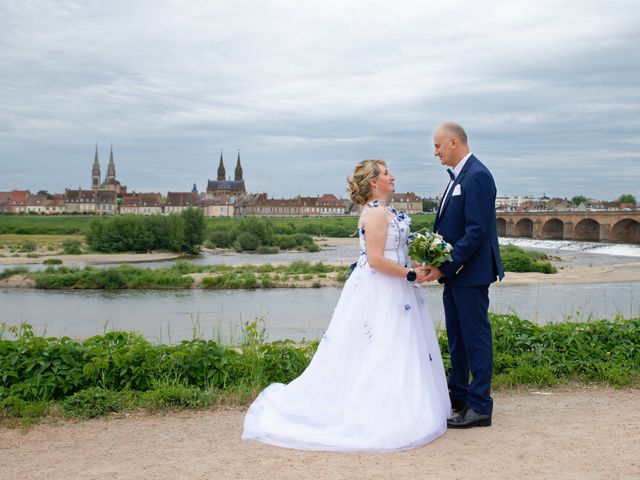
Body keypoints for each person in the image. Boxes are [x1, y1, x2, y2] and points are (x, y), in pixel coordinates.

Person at [242, 159, 450, 452]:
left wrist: (416, 264)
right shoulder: (376, 214)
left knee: (398, 345)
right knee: (380, 345)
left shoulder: (386, 211)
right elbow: (376, 260)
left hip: (397, 288)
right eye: (386, 173)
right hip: (382, 288)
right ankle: (381, 412)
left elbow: (394, 251)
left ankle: (400, 404)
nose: (392, 177)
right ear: (374, 182)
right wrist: (411, 274)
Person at [418, 122, 504, 429]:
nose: (435, 152)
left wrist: (445, 265)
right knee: (457, 339)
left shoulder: (477, 176)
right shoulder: (459, 177)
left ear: (454, 143)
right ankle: (460, 398)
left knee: (475, 339)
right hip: (456, 273)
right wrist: (432, 256)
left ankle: (480, 406)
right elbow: (450, 228)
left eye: (438, 145)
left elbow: (476, 231)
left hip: (470, 272)